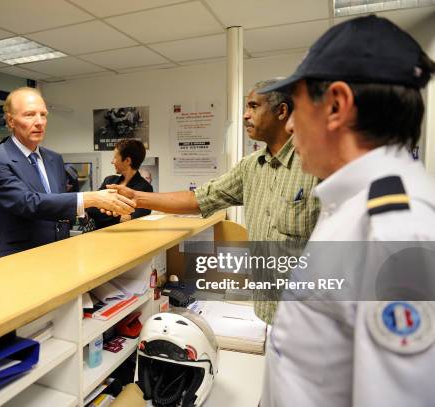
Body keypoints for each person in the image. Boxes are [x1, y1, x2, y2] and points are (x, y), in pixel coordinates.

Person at [257, 15, 435, 406]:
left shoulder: (395, 232)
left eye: (297, 106)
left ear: (336, 105)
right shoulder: (351, 204)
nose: (289, 128)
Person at [109, 79, 320, 323]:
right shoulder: (250, 167)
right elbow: (198, 198)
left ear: (281, 111)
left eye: (253, 106)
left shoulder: (314, 165)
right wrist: (137, 197)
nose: (245, 115)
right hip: (267, 309)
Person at [0, 87, 135, 257]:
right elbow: (28, 203)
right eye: (30, 115)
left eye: (43, 114)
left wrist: (101, 204)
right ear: (11, 121)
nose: (39, 122)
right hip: (21, 259)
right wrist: (92, 198)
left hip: (60, 253)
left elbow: (57, 204)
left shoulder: (54, 159)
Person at [87, 139, 153, 229]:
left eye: (115, 158)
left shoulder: (145, 188)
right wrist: (120, 214)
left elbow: (133, 220)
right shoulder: (109, 181)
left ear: (127, 161)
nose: (112, 161)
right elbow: (91, 209)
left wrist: (105, 209)